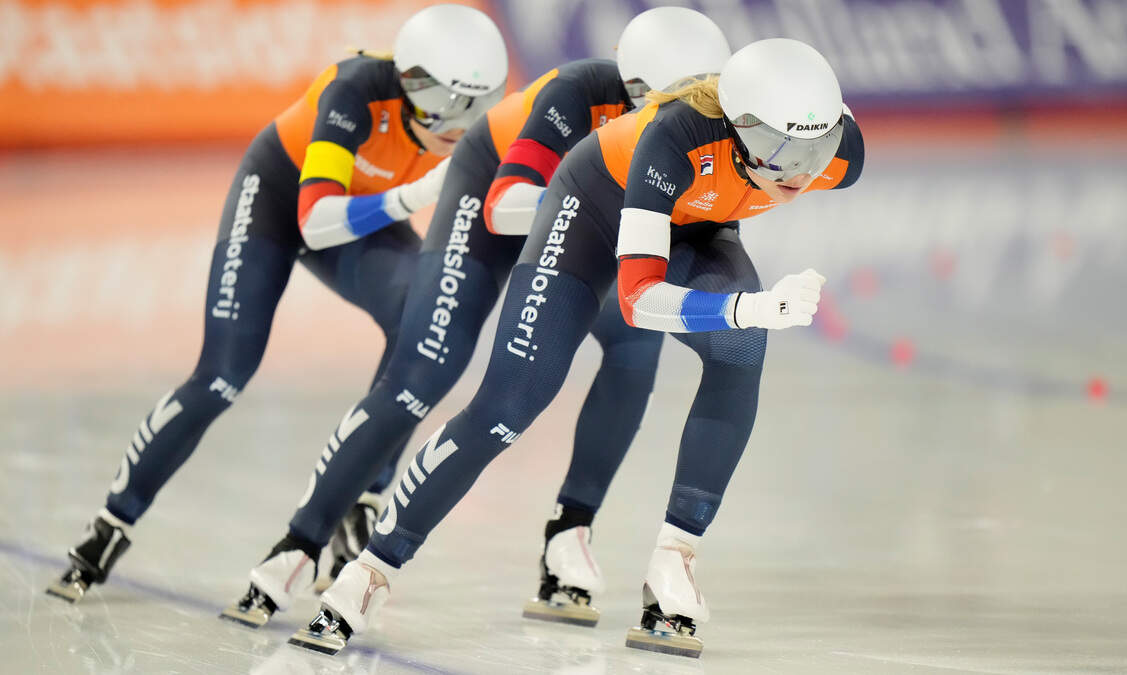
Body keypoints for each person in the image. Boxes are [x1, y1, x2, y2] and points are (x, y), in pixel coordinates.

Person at [290, 38, 865, 659]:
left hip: (694, 221)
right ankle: (373, 569)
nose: (800, 173)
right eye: (781, 152)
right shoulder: (674, 138)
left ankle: (675, 560)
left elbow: (797, 158)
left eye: (816, 148)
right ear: (736, 125)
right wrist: (746, 305)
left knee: (740, 351)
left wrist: (743, 315)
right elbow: (640, 299)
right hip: (590, 211)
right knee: (509, 406)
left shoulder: (839, 153)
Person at [219, 6, 732, 632]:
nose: (691, 118)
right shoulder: (576, 92)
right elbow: (508, 209)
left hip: (588, 216)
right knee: (427, 370)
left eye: (706, 102)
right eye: (675, 104)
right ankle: (299, 542)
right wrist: (621, 203)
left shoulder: (704, 126)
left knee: (632, 353)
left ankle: (568, 533)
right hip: (496, 200)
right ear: (632, 93)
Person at [45, 4, 508, 604]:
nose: (458, 125)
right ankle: (112, 522)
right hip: (283, 199)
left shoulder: (467, 121)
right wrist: (412, 197)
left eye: (478, 105)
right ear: (409, 84)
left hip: (362, 212)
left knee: (420, 322)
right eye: (445, 104)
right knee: (222, 376)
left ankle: (364, 494)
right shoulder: (356, 91)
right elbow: (314, 222)